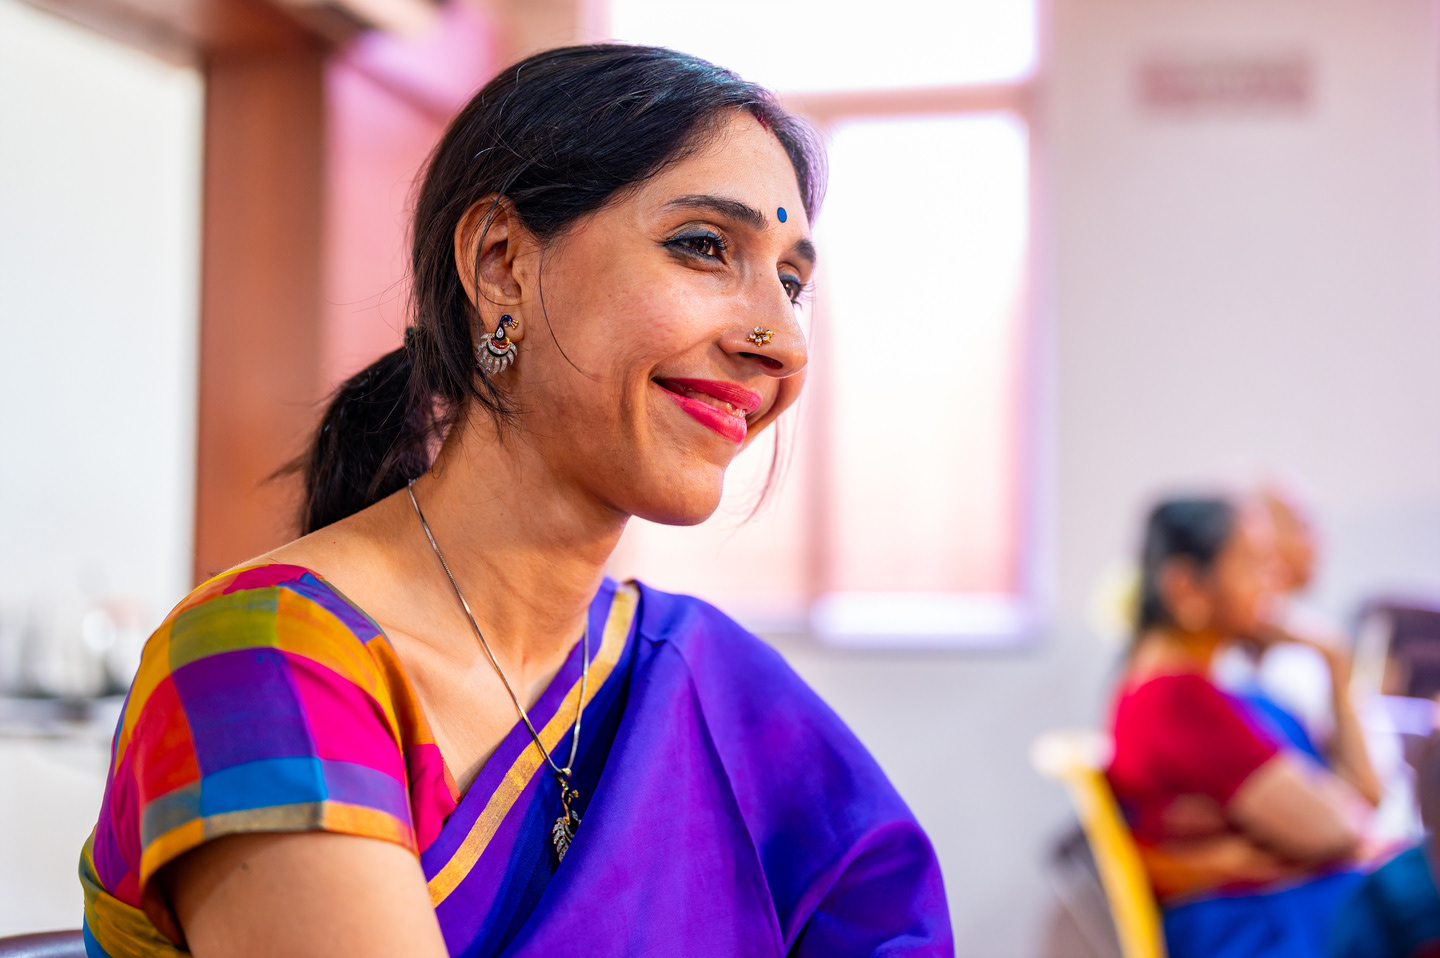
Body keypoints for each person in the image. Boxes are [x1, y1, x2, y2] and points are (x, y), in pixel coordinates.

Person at [77, 45, 952, 958]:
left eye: (792, 283)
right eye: (704, 246)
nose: (781, 343)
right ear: (500, 263)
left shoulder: (714, 691)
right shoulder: (262, 664)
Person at [1107, 496, 1381, 958]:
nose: (1271, 584)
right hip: (1253, 930)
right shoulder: (1177, 698)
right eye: (1252, 565)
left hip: (1266, 910)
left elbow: (1356, 805)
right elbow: (1340, 828)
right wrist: (1305, 843)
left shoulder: (1186, 686)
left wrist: (1335, 665)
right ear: (1186, 587)